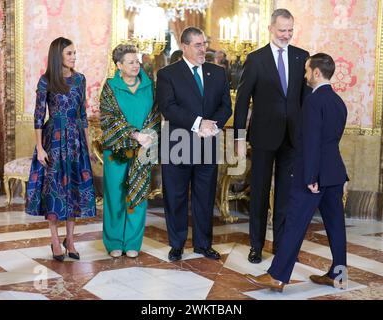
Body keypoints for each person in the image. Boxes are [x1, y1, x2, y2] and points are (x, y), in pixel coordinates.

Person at [245, 53, 349, 292]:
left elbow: (312, 141)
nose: (304, 76)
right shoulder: (338, 102)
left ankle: (277, 276)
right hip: (334, 173)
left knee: (294, 224)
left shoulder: (313, 101)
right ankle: (339, 275)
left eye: (306, 71)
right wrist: (341, 175)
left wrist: (311, 176)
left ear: (316, 72)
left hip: (314, 176)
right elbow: (331, 142)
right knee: (336, 226)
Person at [233, 9, 310, 263]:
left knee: (286, 195)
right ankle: (256, 245)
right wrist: (239, 138)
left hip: (293, 137)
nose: (286, 35)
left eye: (290, 30)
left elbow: (305, 100)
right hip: (263, 136)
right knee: (259, 192)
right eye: (282, 30)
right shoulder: (255, 59)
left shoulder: (302, 57)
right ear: (270, 28)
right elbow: (242, 101)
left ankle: (281, 246)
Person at [156, 27, 232, 262]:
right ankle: (177, 244)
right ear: (184, 47)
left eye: (204, 44)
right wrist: (199, 123)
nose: (203, 49)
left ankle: (203, 244)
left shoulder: (217, 73)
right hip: (178, 144)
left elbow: (225, 107)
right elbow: (168, 108)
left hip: (208, 144)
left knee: (205, 197)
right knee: (176, 197)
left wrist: (212, 125)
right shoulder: (168, 74)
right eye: (198, 45)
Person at [26, 37, 96, 262]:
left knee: (74, 190)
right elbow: (38, 117)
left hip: (76, 141)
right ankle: (55, 240)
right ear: (58, 56)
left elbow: (83, 115)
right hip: (53, 140)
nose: (74, 57)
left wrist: (87, 145)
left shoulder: (80, 79)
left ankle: (71, 241)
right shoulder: (46, 81)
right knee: (54, 191)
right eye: (69, 53)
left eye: (75, 53)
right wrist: (39, 148)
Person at [100, 44, 160, 258]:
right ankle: (114, 242)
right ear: (119, 65)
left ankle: (133, 242)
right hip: (116, 151)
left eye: (137, 61)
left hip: (144, 149)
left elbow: (155, 115)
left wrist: (149, 136)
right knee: (115, 196)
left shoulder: (149, 86)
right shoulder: (110, 87)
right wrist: (135, 134)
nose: (136, 65)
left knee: (139, 195)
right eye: (131, 62)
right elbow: (108, 119)